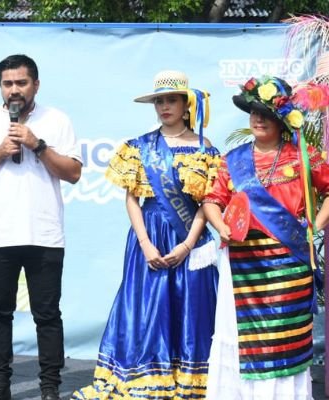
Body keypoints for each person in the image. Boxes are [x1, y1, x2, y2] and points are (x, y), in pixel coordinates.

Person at [73, 70, 220, 399]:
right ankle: (146, 376)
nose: (165, 106)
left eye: (172, 100)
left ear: (186, 104)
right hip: (149, 235)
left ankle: (190, 380)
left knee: (191, 307)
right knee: (148, 308)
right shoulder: (139, 147)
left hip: (191, 240)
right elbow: (132, 199)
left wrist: (187, 243)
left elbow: (208, 202)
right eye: (159, 101)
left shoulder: (203, 147)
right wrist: (144, 243)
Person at [202, 76, 329, 399]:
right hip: (241, 264)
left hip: (287, 263)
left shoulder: (302, 155)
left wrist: (314, 227)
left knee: (282, 340)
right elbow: (212, 200)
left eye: (265, 113)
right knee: (243, 337)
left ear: (281, 119)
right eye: (253, 112)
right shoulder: (233, 160)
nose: (257, 118)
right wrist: (220, 226)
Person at [0, 54, 82, 400]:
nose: (14, 90)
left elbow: (73, 173)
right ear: (0, 86)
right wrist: (0, 150)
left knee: (47, 315)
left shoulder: (56, 119)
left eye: (21, 83)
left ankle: (49, 387)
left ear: (35, 85)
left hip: (44, 234)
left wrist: (37, 144)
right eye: (8, 83)